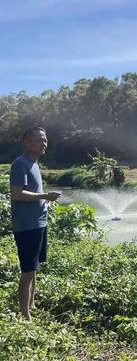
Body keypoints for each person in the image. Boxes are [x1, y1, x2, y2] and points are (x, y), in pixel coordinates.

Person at [9, 127, 61, 321]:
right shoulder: (20, 164)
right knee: (27, 270)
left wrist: (44, 198)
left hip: (39, 223)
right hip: (27, 225)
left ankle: (32, 304)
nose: (44, 143)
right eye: (39, 140)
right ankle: (25, 315)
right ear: (27, 142)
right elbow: (17, 193)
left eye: (45, 139)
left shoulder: (34, 163)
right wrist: (45, 196)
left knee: (35, 266)